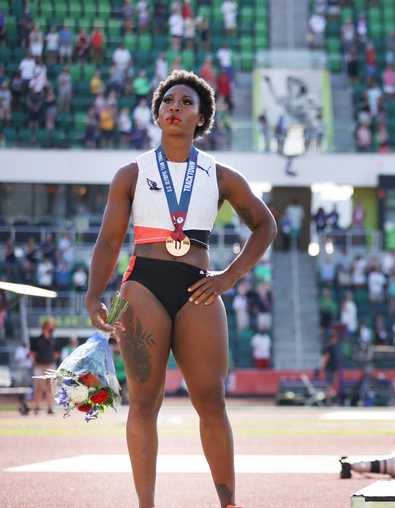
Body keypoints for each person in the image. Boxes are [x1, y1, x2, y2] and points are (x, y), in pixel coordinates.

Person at [85, 70, 276, 508]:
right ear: (157, 113)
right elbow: (110, 240)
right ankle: (146, 505)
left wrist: (231, 275)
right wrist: (95, 294)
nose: (175, 106)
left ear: (202, 116)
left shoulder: (220, 175)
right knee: (143, 402)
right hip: (141, 288)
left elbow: (266, 224)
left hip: (199, 288)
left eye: (187, 102)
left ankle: (228, 502)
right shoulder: (131, 174)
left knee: (211, 400)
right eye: (168, 100)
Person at [29, 319, 58, 415]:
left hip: (50, 365)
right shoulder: (37, 339)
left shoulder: (53, 339)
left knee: (50, 388)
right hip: (39, 366)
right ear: (45, 327)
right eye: (50, 326)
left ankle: (50, 407)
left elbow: (56, 353)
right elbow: (32, 353)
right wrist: (34, 364)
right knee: (38, 387)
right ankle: (36, 407)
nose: (51, 328)